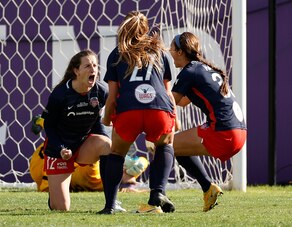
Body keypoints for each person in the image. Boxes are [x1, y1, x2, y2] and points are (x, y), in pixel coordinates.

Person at [97, 11, 178, 214]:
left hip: (129, 110)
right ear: (145, 29)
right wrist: (175, 119)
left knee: (116, 153)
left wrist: (107, 119)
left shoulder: (117, 53)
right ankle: (158, 191)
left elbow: (112, 95)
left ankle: (110, 206)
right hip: (158, 109)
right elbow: (167, 92)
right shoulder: (159, 51)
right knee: (165, 146)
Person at [168, 32, 247, 211]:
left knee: (165, 145)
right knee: (178, 148)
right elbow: (182, 102)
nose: (170, 52)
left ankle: (156, 197)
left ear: (180, 52)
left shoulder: (189, 71)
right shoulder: (201, 69)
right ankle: (208, 189)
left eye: (172, 48)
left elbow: (170, 102)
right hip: (239, 133)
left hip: (224, 132)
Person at [41, 49, 112, 211]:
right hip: (59, 150)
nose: (93, 69)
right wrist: (60, 148)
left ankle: (111, 203)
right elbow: (49, 126)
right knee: (61, 208)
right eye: (87, 66)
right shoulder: (60, 94)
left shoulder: (101, 91)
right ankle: (55, 195)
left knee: (107, 145)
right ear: (76, 71)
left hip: (83, 145)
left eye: (95, 65)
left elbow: (98, 120)